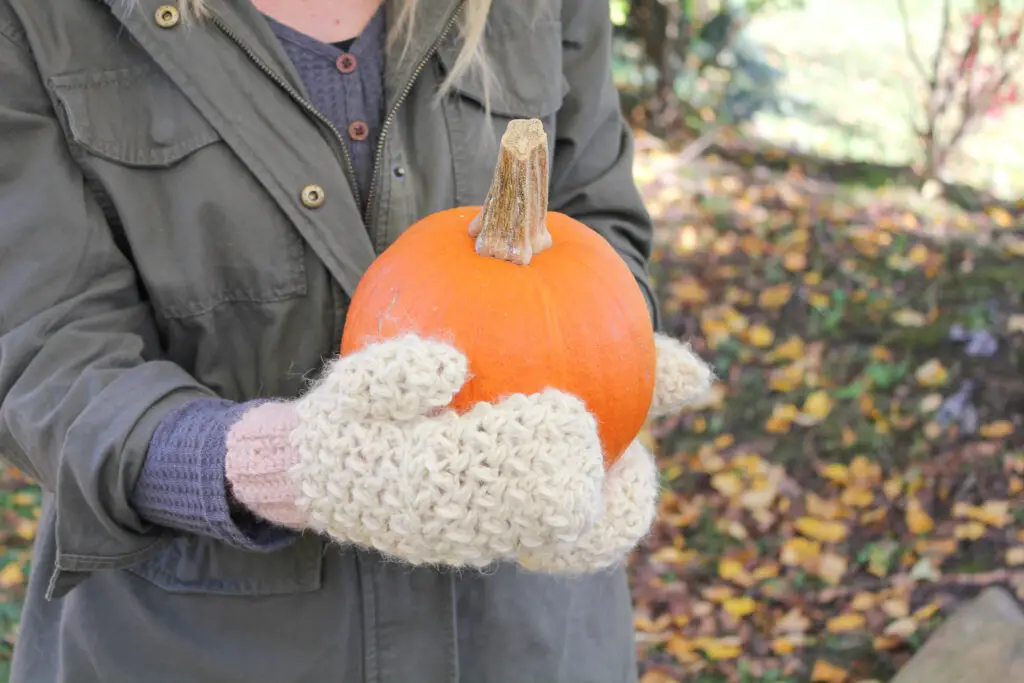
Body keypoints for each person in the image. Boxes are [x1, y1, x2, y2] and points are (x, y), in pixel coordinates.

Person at [0, 0, 713, 681]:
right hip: (201, 646)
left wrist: (609, 381)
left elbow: (597, 217)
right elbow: (48, 350)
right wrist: (286, 465)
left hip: (528, 641)